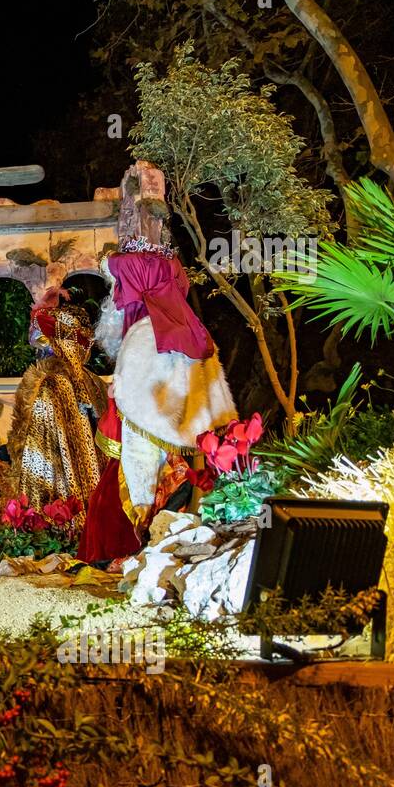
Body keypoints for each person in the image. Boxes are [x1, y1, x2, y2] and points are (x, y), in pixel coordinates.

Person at [78, 239, 237, 562]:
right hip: (192, 464)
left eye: (121, 286)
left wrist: (117, 396)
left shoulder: (144, 335)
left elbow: (137, 416)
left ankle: (134, 555)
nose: (116, 297)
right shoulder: (193, 330)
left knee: (109, 515)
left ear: (139, 287)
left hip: (149, 464)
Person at [7, 303, 106, 528]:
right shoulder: (93, 381)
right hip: (98, 499)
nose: (41, 352)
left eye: (45, 343)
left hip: (60, 502)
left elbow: (40, 457)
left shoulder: (51, 383)